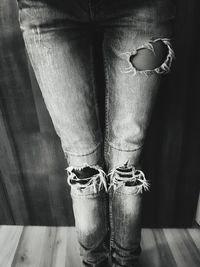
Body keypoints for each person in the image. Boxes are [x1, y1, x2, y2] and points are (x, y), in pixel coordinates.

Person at [16, 0, 176, 266]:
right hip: (47, 7)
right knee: (82, 166)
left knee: (127, 159)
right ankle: (95, 262)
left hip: (142, 7)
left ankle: (125, 261)